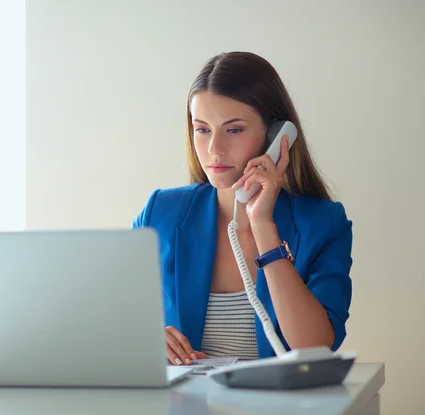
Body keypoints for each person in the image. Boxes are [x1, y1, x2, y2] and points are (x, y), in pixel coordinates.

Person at [133, 51, 353, 365]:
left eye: (234, 130)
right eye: (202, 129)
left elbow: (314, 350)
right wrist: (146, 338)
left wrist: (263, 226)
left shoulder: (323, 223)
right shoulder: (160, 213)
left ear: (278, 137)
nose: (214, 149)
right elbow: (113, 321)